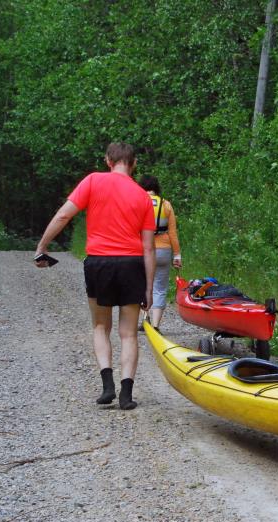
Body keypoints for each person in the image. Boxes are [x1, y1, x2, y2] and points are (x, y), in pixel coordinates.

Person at [35, 142, 156, 410]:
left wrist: (42, 246)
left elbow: (65, 214)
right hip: (132, 265)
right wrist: (149, 288)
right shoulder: (143, 196)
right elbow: (148, 247)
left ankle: (107, 385)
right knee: (128, 334)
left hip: (99, 263)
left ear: (108, 161)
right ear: (133, 164)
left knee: (101, 326)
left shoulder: (92, 181)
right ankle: (126, 394)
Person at [137, 175, 181, 332]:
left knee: (143, 285)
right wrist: (177, 255)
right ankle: (155, 325)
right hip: (163, 250)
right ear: (157, 188)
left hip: (143, 249)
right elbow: (173, 233)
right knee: (160, 288)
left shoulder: (138, 202)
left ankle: (144, 319)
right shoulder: (166, 205)